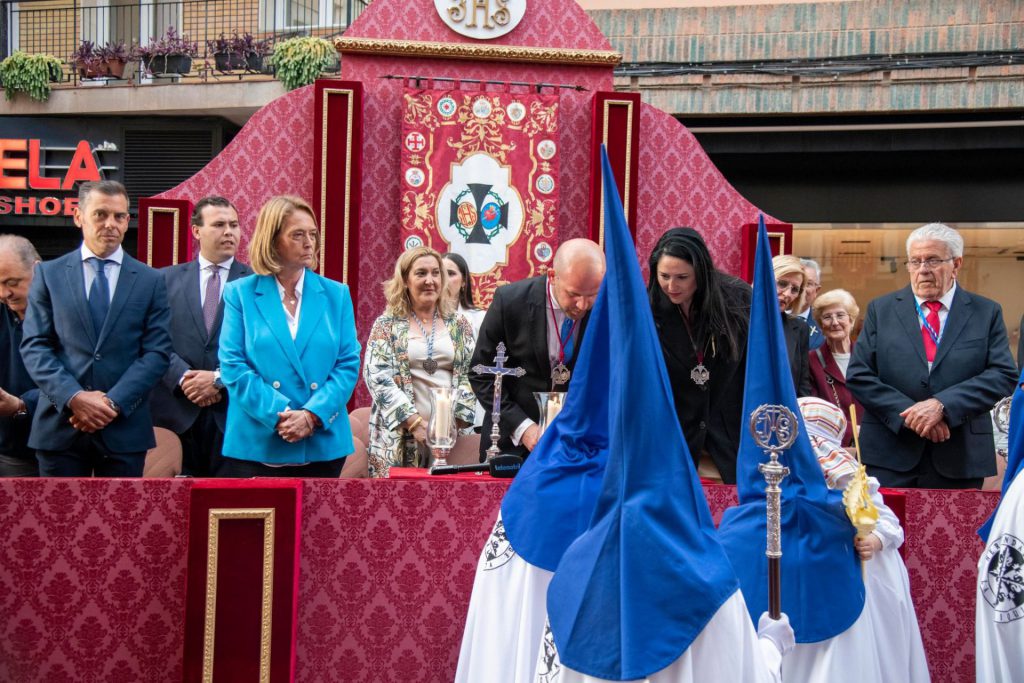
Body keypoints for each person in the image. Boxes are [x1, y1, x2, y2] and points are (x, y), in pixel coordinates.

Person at [847, 222, 1018, 489]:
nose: (923, 269)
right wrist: (914, 417)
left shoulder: (986, 312)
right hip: (889, 453)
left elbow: (1002, 374)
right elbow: (859, 375)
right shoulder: (882, 310)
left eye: (933, 260)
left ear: (956, 264)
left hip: (960, 454)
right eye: (915, 261)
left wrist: (942, 406)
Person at [20, 181, 172, 477]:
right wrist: (74, 398)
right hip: (60, 428)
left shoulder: (151, 281)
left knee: (122, 510)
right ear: (79, 216)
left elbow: (157, 353)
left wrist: (111, 404)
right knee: (58, 510)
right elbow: (35, 346)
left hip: (124, 429)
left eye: (119, 216)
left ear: (127, 221)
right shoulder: (49, 275)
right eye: (100, 214)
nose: (110, 224)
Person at [787, 397, 930, 683]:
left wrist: (875, 539)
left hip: (860, 573)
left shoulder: (852, 481)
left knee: (856, 644)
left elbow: (888, 522)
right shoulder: (787, 479)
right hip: (810, 575)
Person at [218, 195, 360, 477]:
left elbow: (347, 364)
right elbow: (233, 366)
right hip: (257, 440)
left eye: (312, 234)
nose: (309, 243)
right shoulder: (240, 293)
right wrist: (279, 413)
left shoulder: (336, 294)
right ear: (272, 241)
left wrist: (311, 415)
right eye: (297, 235)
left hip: (322, 442)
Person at [470, 239, 605, 460]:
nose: (582, 305)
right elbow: (480, 374)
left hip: (578, 447)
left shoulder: (608, 310)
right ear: (552, 276)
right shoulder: (510, 301)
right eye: (573, 294)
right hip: (511, 444)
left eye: (591, 295)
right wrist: (523, 428)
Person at [149, 196, 251, 477]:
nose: (229, 232)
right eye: (219, 225)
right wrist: (184, 378)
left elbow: (263, 350)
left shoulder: (257, 284)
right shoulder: (162, 280)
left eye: (234, 225)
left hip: (233, 418)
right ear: (196, 231)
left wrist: (218, 379)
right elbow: (152, 341)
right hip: (174, 416)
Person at [648, 227, 751, 483]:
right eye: (664, 276)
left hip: (728, 435)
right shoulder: (648, 307)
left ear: (701, 272)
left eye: (682, 277)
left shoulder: (738, 298)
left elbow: (756, 366)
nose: (671, 286)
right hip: (674, 437)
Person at [364, 246, 477, 477]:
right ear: (405, 280)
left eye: (436, 273)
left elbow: (472, 373)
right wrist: (415, 423)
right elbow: (377, 377)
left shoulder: (460, 324)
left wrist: (452, 424)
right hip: (398, 437)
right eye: (421, 273)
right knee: (398, 498)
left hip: (450, 438)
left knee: (451, 497)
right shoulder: (386, 324)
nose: (430, 281)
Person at [0, 235, 41, 477]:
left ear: (37, 269)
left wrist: (21, 405)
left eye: (12, 282)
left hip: (60, 449)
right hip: (8, 448)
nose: (4, 293)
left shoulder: (68, 312)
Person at [807, 288, 864, 447]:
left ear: (851, 320)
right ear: (820, 325)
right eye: (827, 317)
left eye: (840, 315)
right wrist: (851, 432)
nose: (835, 322)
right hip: (832, 446)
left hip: (871, 443)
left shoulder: (867, 357)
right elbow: (814, 412)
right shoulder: (811, 361)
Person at [772, 254, 812, 397]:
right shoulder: (741, 319)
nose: (788, 294)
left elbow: (802, 384)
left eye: (795, 289)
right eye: (782, 284)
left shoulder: (800, 328)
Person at [443, 252, 486, 339]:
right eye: (439, 273)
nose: (444, 279)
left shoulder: (479, 318)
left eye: (450, 273)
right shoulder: (422, 317)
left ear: (463, 281)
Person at [793, 258, 826, 350]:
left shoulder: (824, 325)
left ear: (817, 290)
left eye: (808, 284)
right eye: (799, 282)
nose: (802, 288)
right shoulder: (772, 317)